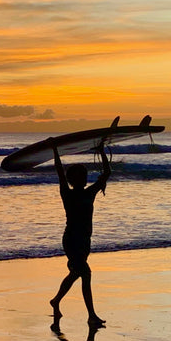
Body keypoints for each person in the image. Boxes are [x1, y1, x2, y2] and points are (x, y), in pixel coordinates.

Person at [48, 138, 111, 328]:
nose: (83, 179)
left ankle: (56, 300)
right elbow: (59, 172)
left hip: (85, 241)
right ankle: (91, 315)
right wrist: (55, 149)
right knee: (85, 273)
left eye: (84, 176)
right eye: (80, 177)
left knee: (76, 273)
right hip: (72, 241)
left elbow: (106, 173)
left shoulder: (88, 193)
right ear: (73, 180)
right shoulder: (67, 194)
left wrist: (101, 151)